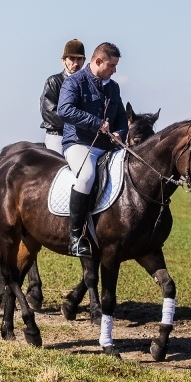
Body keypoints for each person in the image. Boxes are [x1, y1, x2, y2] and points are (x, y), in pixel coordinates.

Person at [57, 42, 128, 258]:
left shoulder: (114, 87)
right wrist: (96, 123)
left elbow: (121, 116)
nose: (114, 70)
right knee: (87, 176)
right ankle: (75, 238)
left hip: (107, 146)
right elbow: (64, 110)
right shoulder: (74, 82)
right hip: (79, 144)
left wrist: (120, 133)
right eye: (112, 65)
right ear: (98, 61)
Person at [40, 39, 86, 154]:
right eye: (72, 59)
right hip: (58, 135)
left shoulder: (88, 84)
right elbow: (49, 113)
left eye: (79, 59)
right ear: (63, 60)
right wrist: (78, 124)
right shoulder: (53, 81)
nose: (76, 63)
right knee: (58, 161)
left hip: (82, 136)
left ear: (84, 61)